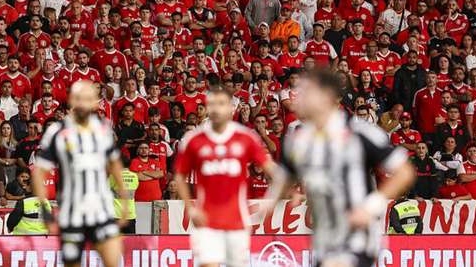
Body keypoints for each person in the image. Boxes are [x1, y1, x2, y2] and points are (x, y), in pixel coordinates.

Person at [263, 70, 415, 267]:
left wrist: (370, 206)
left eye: (307, 92)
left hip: (357, 235)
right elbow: (284, 178)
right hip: (323, 237)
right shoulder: (298, 138)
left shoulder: (360, 132)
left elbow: (405, 172)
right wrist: (283, 194)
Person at [173, 86, 275, 267]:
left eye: (221, 104)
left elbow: (272, 169)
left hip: (237, 221)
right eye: (211, 104)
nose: (216, 109)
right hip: (206, 221)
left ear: (231, 108)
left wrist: (277, 197)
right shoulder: (193, 139)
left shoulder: (245, 137)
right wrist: (190, 208)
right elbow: (179, 176)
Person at [32, 81, 128, 267]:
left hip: (102, 212)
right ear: (71, 100)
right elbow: (39, 173)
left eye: (88, 99)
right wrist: (45, 210)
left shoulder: (103, 129)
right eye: (79, 99)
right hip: (71, 213)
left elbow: (114, 163)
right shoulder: (57, 132)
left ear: (95, 102)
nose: (83, 104)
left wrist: (124, 200)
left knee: (113, 260)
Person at [109, 155, 138, 234]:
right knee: (131, 242)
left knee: (115, 241)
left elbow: (106, 188)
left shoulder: (113, 176)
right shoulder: (135, 176)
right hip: (130, 214)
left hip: (116, 214)